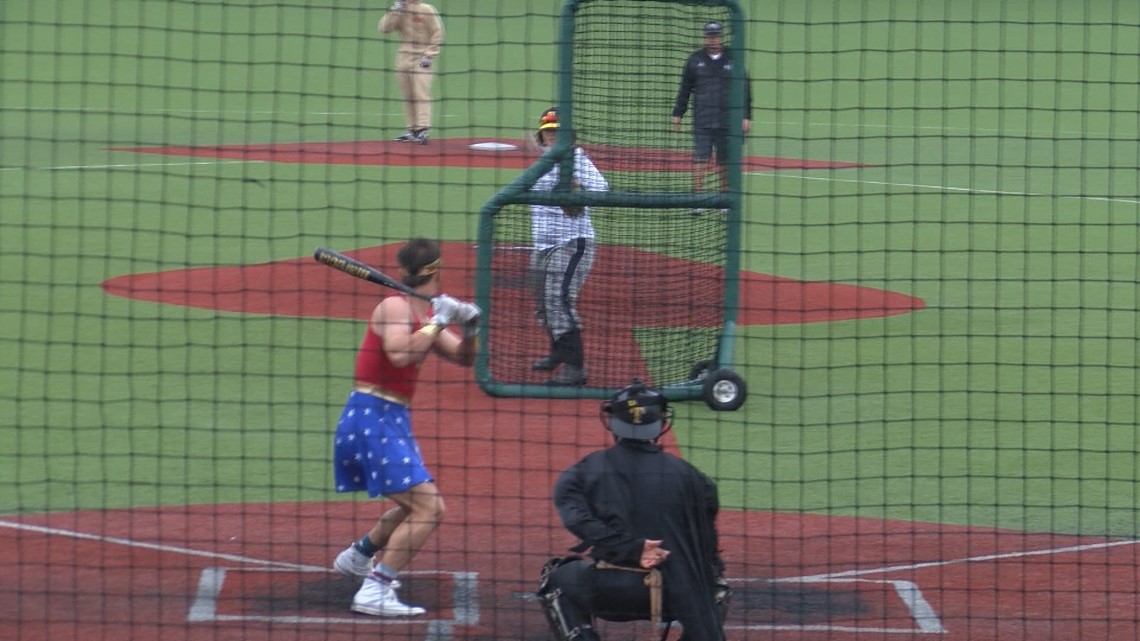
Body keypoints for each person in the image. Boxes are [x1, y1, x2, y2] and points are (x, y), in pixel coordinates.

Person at [330, 238, 480, 617]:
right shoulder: (395, 306)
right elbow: (399, 354)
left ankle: (359, 555)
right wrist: (440, 321)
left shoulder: (420, 312)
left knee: (413, 502)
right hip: (371, 416)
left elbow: (463, 358)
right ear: (436, 269)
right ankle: (375, 589)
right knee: (429, 508)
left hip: (388, 419)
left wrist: (472, 326)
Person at [536, 381, 730, 641]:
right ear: (660, 424)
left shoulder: (585, 471)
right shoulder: (694, 478)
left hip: (609, 590)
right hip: (677, 594)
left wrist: (633, 548)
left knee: (556, 578)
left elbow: (577, 519)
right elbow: (707, 545)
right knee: (716, 587)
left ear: (613, 422)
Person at [528, 106, 610, 386]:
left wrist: (576, 188)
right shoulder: (541, 162)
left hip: (571, 243)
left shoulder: (575, 159)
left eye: (557, 132)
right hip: (542, 245)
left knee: (558, 299)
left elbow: (602, 190)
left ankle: (576, 368)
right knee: (543, 305)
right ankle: (558, 353)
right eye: (548, 132)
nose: (552, 137)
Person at [670, 21, 753, 205]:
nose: (713, 39)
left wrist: (746, 116)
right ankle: (698, 199)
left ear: (721, 37)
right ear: (705, 37)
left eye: (716, 36)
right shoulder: (694, 60)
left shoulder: (733, 58)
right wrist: (678, 113)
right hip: (702, 120)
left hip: (727, 121)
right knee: (700, 160)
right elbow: (685, 89)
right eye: (709, 36)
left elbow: (745, 88)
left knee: (724, 162)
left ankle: (723, 200)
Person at [378, 0, 444, 144]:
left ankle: (422, 129)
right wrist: (396, 11)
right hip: (403, 59)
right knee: (408, 96)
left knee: (421, 94)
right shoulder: (400, 11)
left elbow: (437, 32)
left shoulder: (426, 9)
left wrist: (430, 54)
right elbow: (384, 28)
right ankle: (411, 130)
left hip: (422, 59)